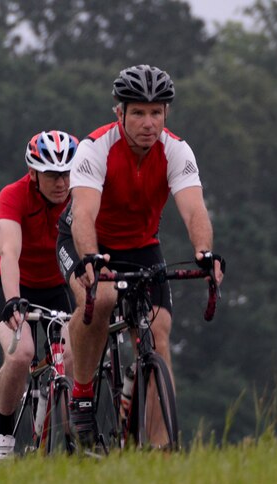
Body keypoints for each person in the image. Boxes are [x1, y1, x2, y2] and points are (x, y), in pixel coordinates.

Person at [57, 64, 224, 444]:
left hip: (142, 245)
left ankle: (160, 450)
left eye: (156, 112)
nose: (148, 122)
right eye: (138, 112)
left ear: (166, 114)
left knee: (159, 334)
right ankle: (81, 397)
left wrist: (204, 252)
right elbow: (83, 213)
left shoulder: (176, 150)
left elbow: (195, 209)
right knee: (101, 299)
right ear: (120, 113)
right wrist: (90, 259)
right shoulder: (94, 147)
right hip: (86, 240)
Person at [0, 131, 79, 459]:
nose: (62, 183)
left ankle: (62, 425)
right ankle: (2, 432)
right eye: (53, 175)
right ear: (33, 174)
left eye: (68, 173)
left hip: (58, 286)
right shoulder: (13, 196)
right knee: (21, 353)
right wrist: (13, 300)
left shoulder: (80, 195)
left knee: (69, 357)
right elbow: (8, 252)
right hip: (16, 287)